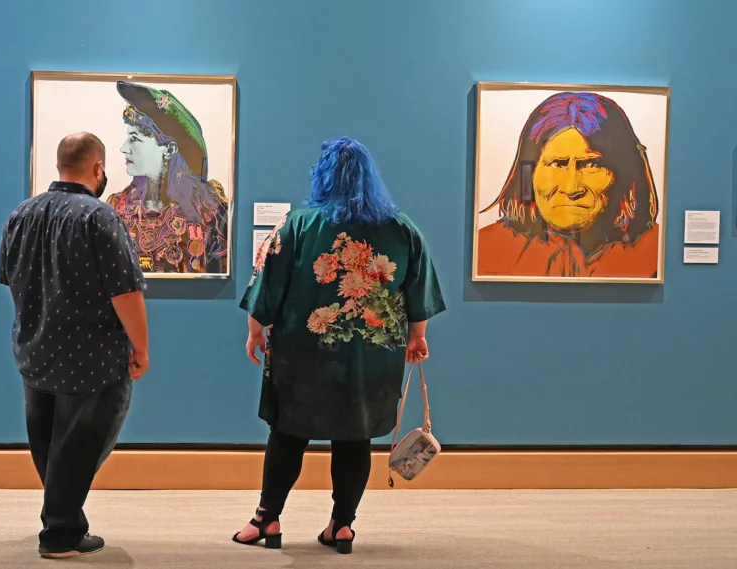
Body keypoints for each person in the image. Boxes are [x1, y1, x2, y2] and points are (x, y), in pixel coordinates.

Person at [232, 137, 446, 555]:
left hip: (302, 354)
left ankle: (267, 519)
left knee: (287, 434)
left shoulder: (297, 225)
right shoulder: (402, 228)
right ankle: (342, 525)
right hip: (370, 360)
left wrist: (255, 330)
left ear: (322, 177)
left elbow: (266, 283)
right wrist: (417, 336)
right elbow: (418, 288)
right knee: (355, 438)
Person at [0, 132, 149, 559]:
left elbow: (12, 281)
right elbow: (125, 292)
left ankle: (64, 520)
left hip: (35, 350)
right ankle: (60, 533)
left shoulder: (21, 214)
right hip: (91, 358)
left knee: (49, 446)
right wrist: (140, 348)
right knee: (81, 445)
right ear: (98, 168)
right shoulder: (100, 218)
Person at [475, 91, 660, 279]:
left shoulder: (658, 253)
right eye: (557, 164)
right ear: (529, 173)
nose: (571, 188)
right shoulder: (485, 251)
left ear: (623, 172)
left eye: (590, 165)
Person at [104, 81, 229, 275]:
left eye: (135, 139)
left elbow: (221, 277)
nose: (124, 148)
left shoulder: (209, 212)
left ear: (169, 149)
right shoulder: (117, 208)